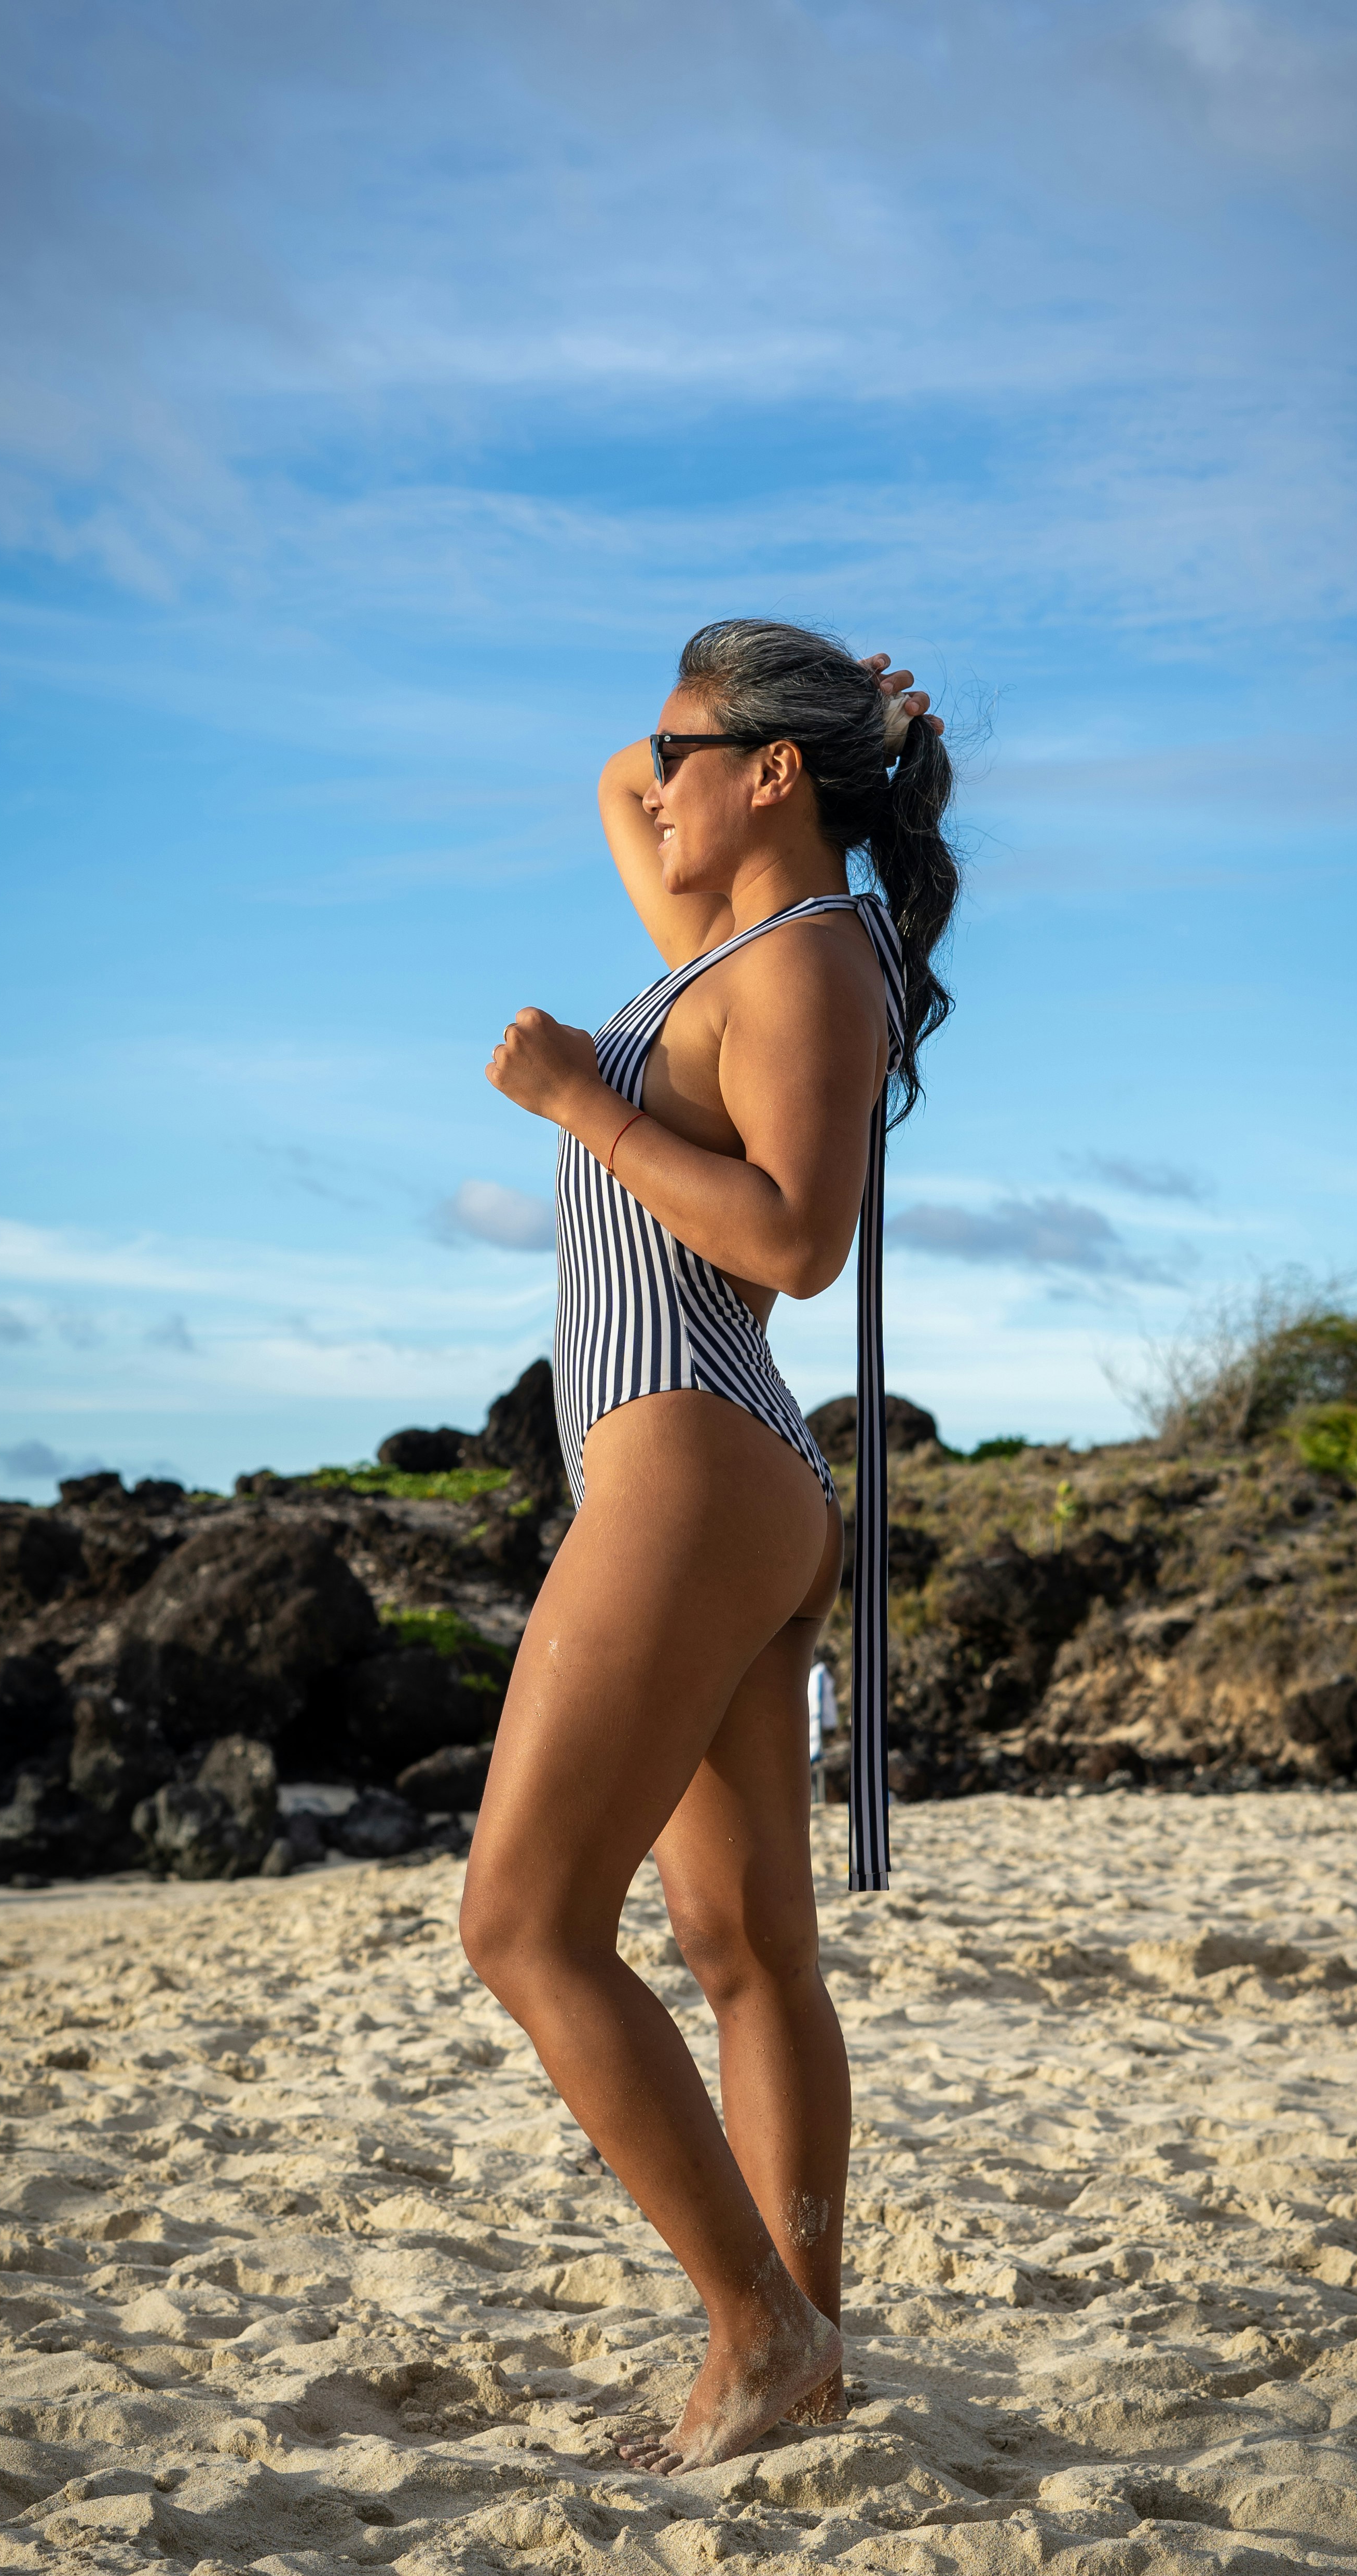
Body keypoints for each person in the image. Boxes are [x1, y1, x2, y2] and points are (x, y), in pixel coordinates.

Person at [460, 619, 961, 2473]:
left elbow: (795, 1236)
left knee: (520, 1921)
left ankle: (759, 2330)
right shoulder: (733, 946)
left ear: (768, 780)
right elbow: (618, 781)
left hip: (688, 1451)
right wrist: (836, 727)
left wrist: (579, 1100)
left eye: (689, 749)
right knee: (741, 1939)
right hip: (712, 1467)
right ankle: (804, 2335)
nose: (647, 775)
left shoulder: (810, 963)